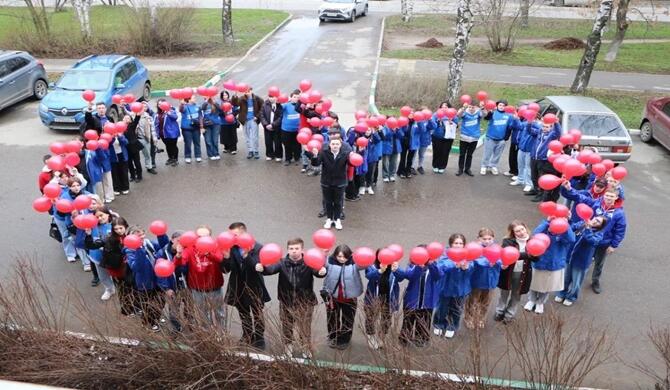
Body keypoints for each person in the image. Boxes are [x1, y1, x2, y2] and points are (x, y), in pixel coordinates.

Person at [255, 238, 326, 358]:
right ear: (287, 250)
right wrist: (263, 269)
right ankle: (288, 346)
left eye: (296, 248)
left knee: (304, 327)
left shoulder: (309, 261)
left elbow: (317, 271)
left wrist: (322, 272)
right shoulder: (282, 262)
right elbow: (271, 269)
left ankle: (305, 347)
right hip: (286, 301)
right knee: (287, 326)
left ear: (302, 249)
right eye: (291, 249)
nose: (294, 251)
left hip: (305, 302)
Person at [560, 181, 626, 295]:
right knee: (584, 259)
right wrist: (569, 188)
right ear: (604, 195)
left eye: (611, 196)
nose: (608, 198)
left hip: (604, 242)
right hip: (588, 238)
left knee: (599, 263)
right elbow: (580, 197)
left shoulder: (619, 213)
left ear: (616, 197)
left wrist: (613, 245)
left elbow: (620, 230)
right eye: (607, 195)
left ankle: (595, 281)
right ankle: (577, 279)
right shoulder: (596, 203)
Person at [222, 222, 271, 349]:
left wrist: (246, 255)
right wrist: (226, 258)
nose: (232, 238)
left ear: (244, 233)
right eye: (231, 235)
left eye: (235, 235)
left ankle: (259, 337)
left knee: (257, 313)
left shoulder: (258, 248)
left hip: (254, 286)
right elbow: (226, 270)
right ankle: (247, 335)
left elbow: (259, 268)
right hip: (238, 287)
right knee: (244, 314)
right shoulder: (231, 247)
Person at [85, 216, 139, 316]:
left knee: (134, 289)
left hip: (130, 268)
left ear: (125, 227)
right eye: (116, 229)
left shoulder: (130, 236)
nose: (118, 231)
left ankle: (136, 307)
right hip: (118, 270)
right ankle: (127, 310)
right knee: (123, 291)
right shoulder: (109, 239)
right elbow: (92, 245)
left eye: (121, 228)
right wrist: (88, 236)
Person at [176, 225, 226, 328]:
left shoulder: (216, 246)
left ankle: (222, 335)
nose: (202, 239)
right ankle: (207, 335)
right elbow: (181, 263)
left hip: (215, 286)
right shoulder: (190, 248)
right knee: (203, 314)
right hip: (197, 288)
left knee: (219, 313)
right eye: (199, 236)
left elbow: (220, 259)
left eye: (205, 236)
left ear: (210, 237)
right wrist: (179, 254)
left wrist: (208, 254)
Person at [524, 218, 576, 314]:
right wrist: (547, 221)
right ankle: (532, 300)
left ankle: (540, 302)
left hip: (553, 265)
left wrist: (566, 224)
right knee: (534, 283)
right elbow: (534, 234)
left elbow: (572, 239)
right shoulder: (543, 232)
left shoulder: (562, 237)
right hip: (539, 263)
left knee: (546, 286)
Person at [124, 226, 170, 331]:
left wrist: (161, 235)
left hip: (157, 279)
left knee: (160, 301)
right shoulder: (129, 251)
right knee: (147, 304)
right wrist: (138, 249)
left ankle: (156, 317)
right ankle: (148, 322)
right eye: (137, 235)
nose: (141, 237)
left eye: (142, 234)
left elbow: (164, 248)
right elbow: (137, 267)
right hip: (145, 283)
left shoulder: (148, 243)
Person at [555, 217, 606, 306]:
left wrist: (588, 229)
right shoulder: (583, 223)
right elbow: (571, 228)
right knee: (565, 278)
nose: (595, 221)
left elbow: (591, 240)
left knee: (576, 281)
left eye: (598, 221)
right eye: (595, 218)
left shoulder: (599, 234)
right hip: (570, 256)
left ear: (600, 226)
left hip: (581, 261)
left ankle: (571, 297)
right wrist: (569, 219)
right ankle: (561, 293)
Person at [321, 244, 364, 349]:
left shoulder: (355, 264)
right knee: (332, 319)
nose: (341, 259)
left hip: (350, 298)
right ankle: (333, 337)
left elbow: (365, 264)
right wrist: (324, 253)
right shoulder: (330, 262)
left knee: (347, 320)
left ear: (349, 256)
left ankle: (345, 339)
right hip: (332, 298)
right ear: (335, 255)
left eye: (344, 256)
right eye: (339, 256)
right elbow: (320, 263)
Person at [396, 249, 442, 347]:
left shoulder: (434, 266)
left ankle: (421, 339)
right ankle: (405, 339)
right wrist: (418, 267)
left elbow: (438, 276)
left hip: (427, 302)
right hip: (412, 300)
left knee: (424, 321)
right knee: (408, 321)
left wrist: (431, 264)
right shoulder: (412, 266)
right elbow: (410, 276)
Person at [433, 233, 474, 339]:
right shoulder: (445, 254)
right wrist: (454, 265)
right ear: (451, 244)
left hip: (461, 289)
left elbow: (471, 270)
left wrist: (467, 268)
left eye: (461, 243)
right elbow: (440, 266)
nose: (458, 245)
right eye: (456, 243)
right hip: (445, 288)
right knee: (441, 308)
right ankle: (438, 324)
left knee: (456, 309)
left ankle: (452, 327)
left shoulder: (468, 255)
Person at [496, 220, 537, 323]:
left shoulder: (533, 241)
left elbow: (537, 258)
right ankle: (499, 312)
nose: (521, 232)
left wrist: (520, 255)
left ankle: (509, 315)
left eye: (522, 229)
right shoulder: (507, 241)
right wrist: (528, 254)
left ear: (525, 228)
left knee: (516, 295)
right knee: (504, 294)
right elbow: (509, 254)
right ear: (513, 233)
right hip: (508, 273)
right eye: (517, 231)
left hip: (523, 274)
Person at [308, 134, 352, 230]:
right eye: (333, 144)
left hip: (340, 182)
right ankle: (329, 218)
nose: (335, 146)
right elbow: (316, 163)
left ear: (340, 145)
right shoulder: (324, 153)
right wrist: (315, 155)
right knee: (328, 202)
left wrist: (358, 153)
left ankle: (337, 219)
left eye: (337, 144)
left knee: (338, 202)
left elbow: (352, 163)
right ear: (329, 145)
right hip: (326, 182)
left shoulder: (345, 153)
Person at [464, 228, 500, 329]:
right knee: (472, 301)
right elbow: (474, 261)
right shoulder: (474, 249)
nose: (487, 241)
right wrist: (488, 262)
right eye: (484, 238)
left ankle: (481, 318)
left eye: (490, 238)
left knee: (486, 302)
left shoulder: (497, 249)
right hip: (477, 281)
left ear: (493, 238)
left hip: (491, 282)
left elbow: (501, 261)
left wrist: (500, 263)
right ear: (478, 238)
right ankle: (468, 318)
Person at [364, 255, 401, 350]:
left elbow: (402, 277)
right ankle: (371, 337)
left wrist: (396, 270)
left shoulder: (393, 267)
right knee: (370, 318)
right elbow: (369, 276)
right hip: (373, 298)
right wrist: (380, 271)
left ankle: (381, 337)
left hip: (389, 299)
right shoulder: (371, 266)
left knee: (386, 320)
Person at [155, 230, 188, 332]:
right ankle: (176, 328)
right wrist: (166, 288)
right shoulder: (162, 253)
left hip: (186, 285)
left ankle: (190, 324)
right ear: (172, 240)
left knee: (189, 307)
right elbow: (160, 273)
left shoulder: (187, 251)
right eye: (178, 240)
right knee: (174, 309)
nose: (181, 243)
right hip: (172, 286)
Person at [85, 205, 117, 301]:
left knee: (117, 274)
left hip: (113, 257)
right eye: (97, 217)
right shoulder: (92, 226)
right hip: (98, 257)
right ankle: (109, 289)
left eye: (101, 215)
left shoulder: (114, 225)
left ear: (108, 214)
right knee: (103, 276)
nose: (100, 218)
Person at [527, 120, 561, 202]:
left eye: (547, 127)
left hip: (543, 160)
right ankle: (536, 190)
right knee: (533, 176)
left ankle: (541, 194)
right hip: (534, 157)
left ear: (551, 128)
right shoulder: (539, 132)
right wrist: (529, 123)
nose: (544, 128)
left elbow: (558, 132)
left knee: (541, 178)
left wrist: (556, 123)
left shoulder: (552, 135)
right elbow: (530, 131)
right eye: (543, 126)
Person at [480, 100, 515, 176]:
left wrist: (505, 138)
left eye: (503, 105)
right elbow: (486, 117)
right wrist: (486, 109)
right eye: (500, 105)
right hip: (490, 137)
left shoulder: (509, 115)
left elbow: (510, 127)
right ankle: (484, 166)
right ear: (497, 106)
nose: (502, 107)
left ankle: (493, 165)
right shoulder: (493, 113)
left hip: (501, 139)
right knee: (487, 153)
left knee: (497, 154)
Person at [232, 87, 264, 160]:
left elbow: (262, 108)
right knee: (247, 137)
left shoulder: (257, 99)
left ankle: (256, 151)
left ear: (251, 91)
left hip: (253, 120)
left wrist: (257, 116)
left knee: (254, 137)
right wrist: (235, 96)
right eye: (246, 92)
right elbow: (235, 103)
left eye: (249, 91)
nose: (247, 93)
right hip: (245, 120)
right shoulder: (242, 99)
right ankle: (250, 151)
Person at [511, 117, 538, 192]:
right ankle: (520, 179)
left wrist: (531, 124)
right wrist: (516, 119)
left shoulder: (538, 127)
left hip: (530, 151)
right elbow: (518, 126)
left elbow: (532, 131)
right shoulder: (525, 124)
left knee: (528, 168)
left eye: (534, 118)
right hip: (522, 149)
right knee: (520, 165)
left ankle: (529, 184)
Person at [456, 102, 483, 176]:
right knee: (462, 154)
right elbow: (458, 115)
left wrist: (482, 107)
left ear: (476, 107)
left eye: (473, 107)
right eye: (470, 107)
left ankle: (467, 169)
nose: (471, 109)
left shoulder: (478, 113)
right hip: (464, 137)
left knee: (470, 155)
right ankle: (460, 169)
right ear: (468, 107)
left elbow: (484, 114)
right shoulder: (465, 112)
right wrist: (463, 108)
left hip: (474, 137)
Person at [431, 102, 457, 174]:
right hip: (437, 136)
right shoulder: (436, 114)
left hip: (448, 137)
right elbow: (432, 125)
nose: (444, 108)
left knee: (445, 152)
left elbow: (457, 124)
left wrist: (451, 121)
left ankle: (442, 166)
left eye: (446, 107)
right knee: (437, 151)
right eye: (442, 107)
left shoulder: (453, 114)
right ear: (440, 108)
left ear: (449, 108)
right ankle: (435, 165)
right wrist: (437, 121)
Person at [155, 99, 180, 166]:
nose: (160, 105)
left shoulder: (171, 110)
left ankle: (175, 159)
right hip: (163, 133)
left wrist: (168, 112)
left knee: (173, 146)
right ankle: (170, 158)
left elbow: (175, 117)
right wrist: (157, 134)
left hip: (172, 133)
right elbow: (157, 124)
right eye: (159, 104)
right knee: (168, 146)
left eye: (161, 104)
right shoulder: (158, 113)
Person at [280, 90, 302, 166]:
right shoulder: (286, 105)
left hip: (297, 130)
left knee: (297, 145)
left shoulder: (301, 106)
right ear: (291, 98)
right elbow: (279, 108)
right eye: (294, 97)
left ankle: (297, 158)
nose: (296, 98)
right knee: (287, 145)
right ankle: (288, 159)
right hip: (286, 129)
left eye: (297, 97)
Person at [260, 92, 283, 162]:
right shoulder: (265, 104)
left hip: (276, 127)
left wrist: (273, 124)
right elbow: (261, 115)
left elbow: (281, 117)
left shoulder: (280, 105)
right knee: (268, 142)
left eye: (273, 97)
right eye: (270, 97)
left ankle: (278, 155)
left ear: (276, 97)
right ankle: (269, 155)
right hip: (267, 127)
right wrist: (266, 124)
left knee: (277, 142)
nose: (271, 98)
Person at [179, 96, 203, 163]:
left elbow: (200, 116)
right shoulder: (184, 106)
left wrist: (201, 125)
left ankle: (198, 155)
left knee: (197, 142)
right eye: (194, 98)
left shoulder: (197, 106)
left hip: (196, 127)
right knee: (188, 143)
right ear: (189, 99)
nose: (195, 99)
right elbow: (181, 110)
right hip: (186, 128)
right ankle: (188, 156)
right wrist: (181, 104)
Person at [122, 113, 144, 183]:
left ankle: (139, 176)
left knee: (137, 162)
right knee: (129, 163)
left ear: (130, 120)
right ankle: (132, 175)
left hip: (134, 147)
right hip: (126, 148)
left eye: (128, 118)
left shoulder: (132, 126)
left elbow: (136, 120)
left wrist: (138, 115)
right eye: (125, 118)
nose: (126, 119)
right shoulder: (120, 127)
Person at [137, 102, 157, 175]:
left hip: (145, 139)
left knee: (147, 154)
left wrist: (154, 138)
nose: (143, 108)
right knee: (135, 156)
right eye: (141, 107)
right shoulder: (133, 115)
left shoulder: (148, 117)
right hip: (136, 139)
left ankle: (149, 167)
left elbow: (153, 128)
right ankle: (136, 169)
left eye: (145, 107)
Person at [200, 96, 222, 160]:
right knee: (208, 141)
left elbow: (221, 109)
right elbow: (201, 108)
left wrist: (214, 102)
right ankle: (210, 154)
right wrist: (206, 101)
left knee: (215, 140)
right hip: (207, 124)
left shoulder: (216, 102)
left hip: (216, 124)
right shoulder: (204, 103)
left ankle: (216, 153)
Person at [109, 130, 130, 195]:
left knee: (124, 172)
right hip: (113, 157)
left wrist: (119, 137)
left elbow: (125, 142)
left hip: (122, 156)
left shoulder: (121, 135)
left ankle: (125, 187)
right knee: (115, 173)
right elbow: (108, 145)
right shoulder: (108, 137)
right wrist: (112, 138)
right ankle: (116, 188)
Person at [219, 91, 239, 155]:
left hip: (232, 122)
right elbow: (218, 113)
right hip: (223, 122)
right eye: (223, 95)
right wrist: (224, 113)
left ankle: (233, 149)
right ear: (222, 96)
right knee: (225, 135)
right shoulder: (220, 104)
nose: (225, 96)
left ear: (228, 95)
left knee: (232, 135)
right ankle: (226, 147)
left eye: (226, 95)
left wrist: (232, 115)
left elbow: (236, 110)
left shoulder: (231, 102)